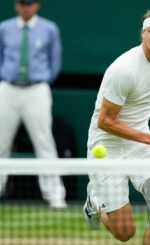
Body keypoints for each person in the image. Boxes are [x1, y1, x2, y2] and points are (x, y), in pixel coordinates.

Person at [83, 8, 150, 245]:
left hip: (141, 143)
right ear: (142, 33)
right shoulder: (123, 70)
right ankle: (95, 200)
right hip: (107, 145)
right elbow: (105, 121)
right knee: (125, 233)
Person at [0, 0, 67, 208]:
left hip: (37, 89)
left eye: (29, 3)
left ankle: (55, 198)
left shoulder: (49, 29)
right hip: (8, 89)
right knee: (0, 143)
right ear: (16, 5)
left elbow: (55, 62)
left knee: (44, 143)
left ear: (36, 5)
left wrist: (43, 79)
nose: (25, 7)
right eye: (21, 3)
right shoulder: (4, 28)